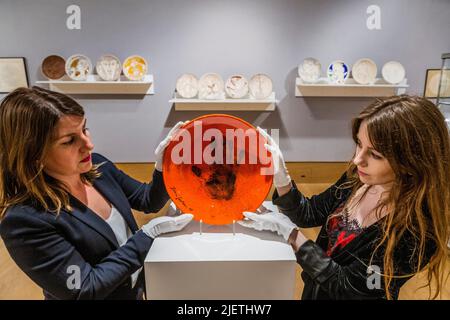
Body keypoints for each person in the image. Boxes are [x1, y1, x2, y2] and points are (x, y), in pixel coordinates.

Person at [239, 95, 450, 300]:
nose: (358, 159)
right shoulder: (356, 179)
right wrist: (282, 177)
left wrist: (292, 236)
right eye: (359, 143)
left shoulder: (417, 231)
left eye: (375, 155)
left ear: (412, 161)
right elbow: (309, 213)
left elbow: (347, 288)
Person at [0, 86, 193, 300]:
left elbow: (147, 200)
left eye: (85, 129)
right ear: (34, 154)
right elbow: (84, 288)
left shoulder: (97, 168)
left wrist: (165, 167)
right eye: (69, 141)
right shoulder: (25, 221)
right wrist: (145, 237)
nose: (88, 144)